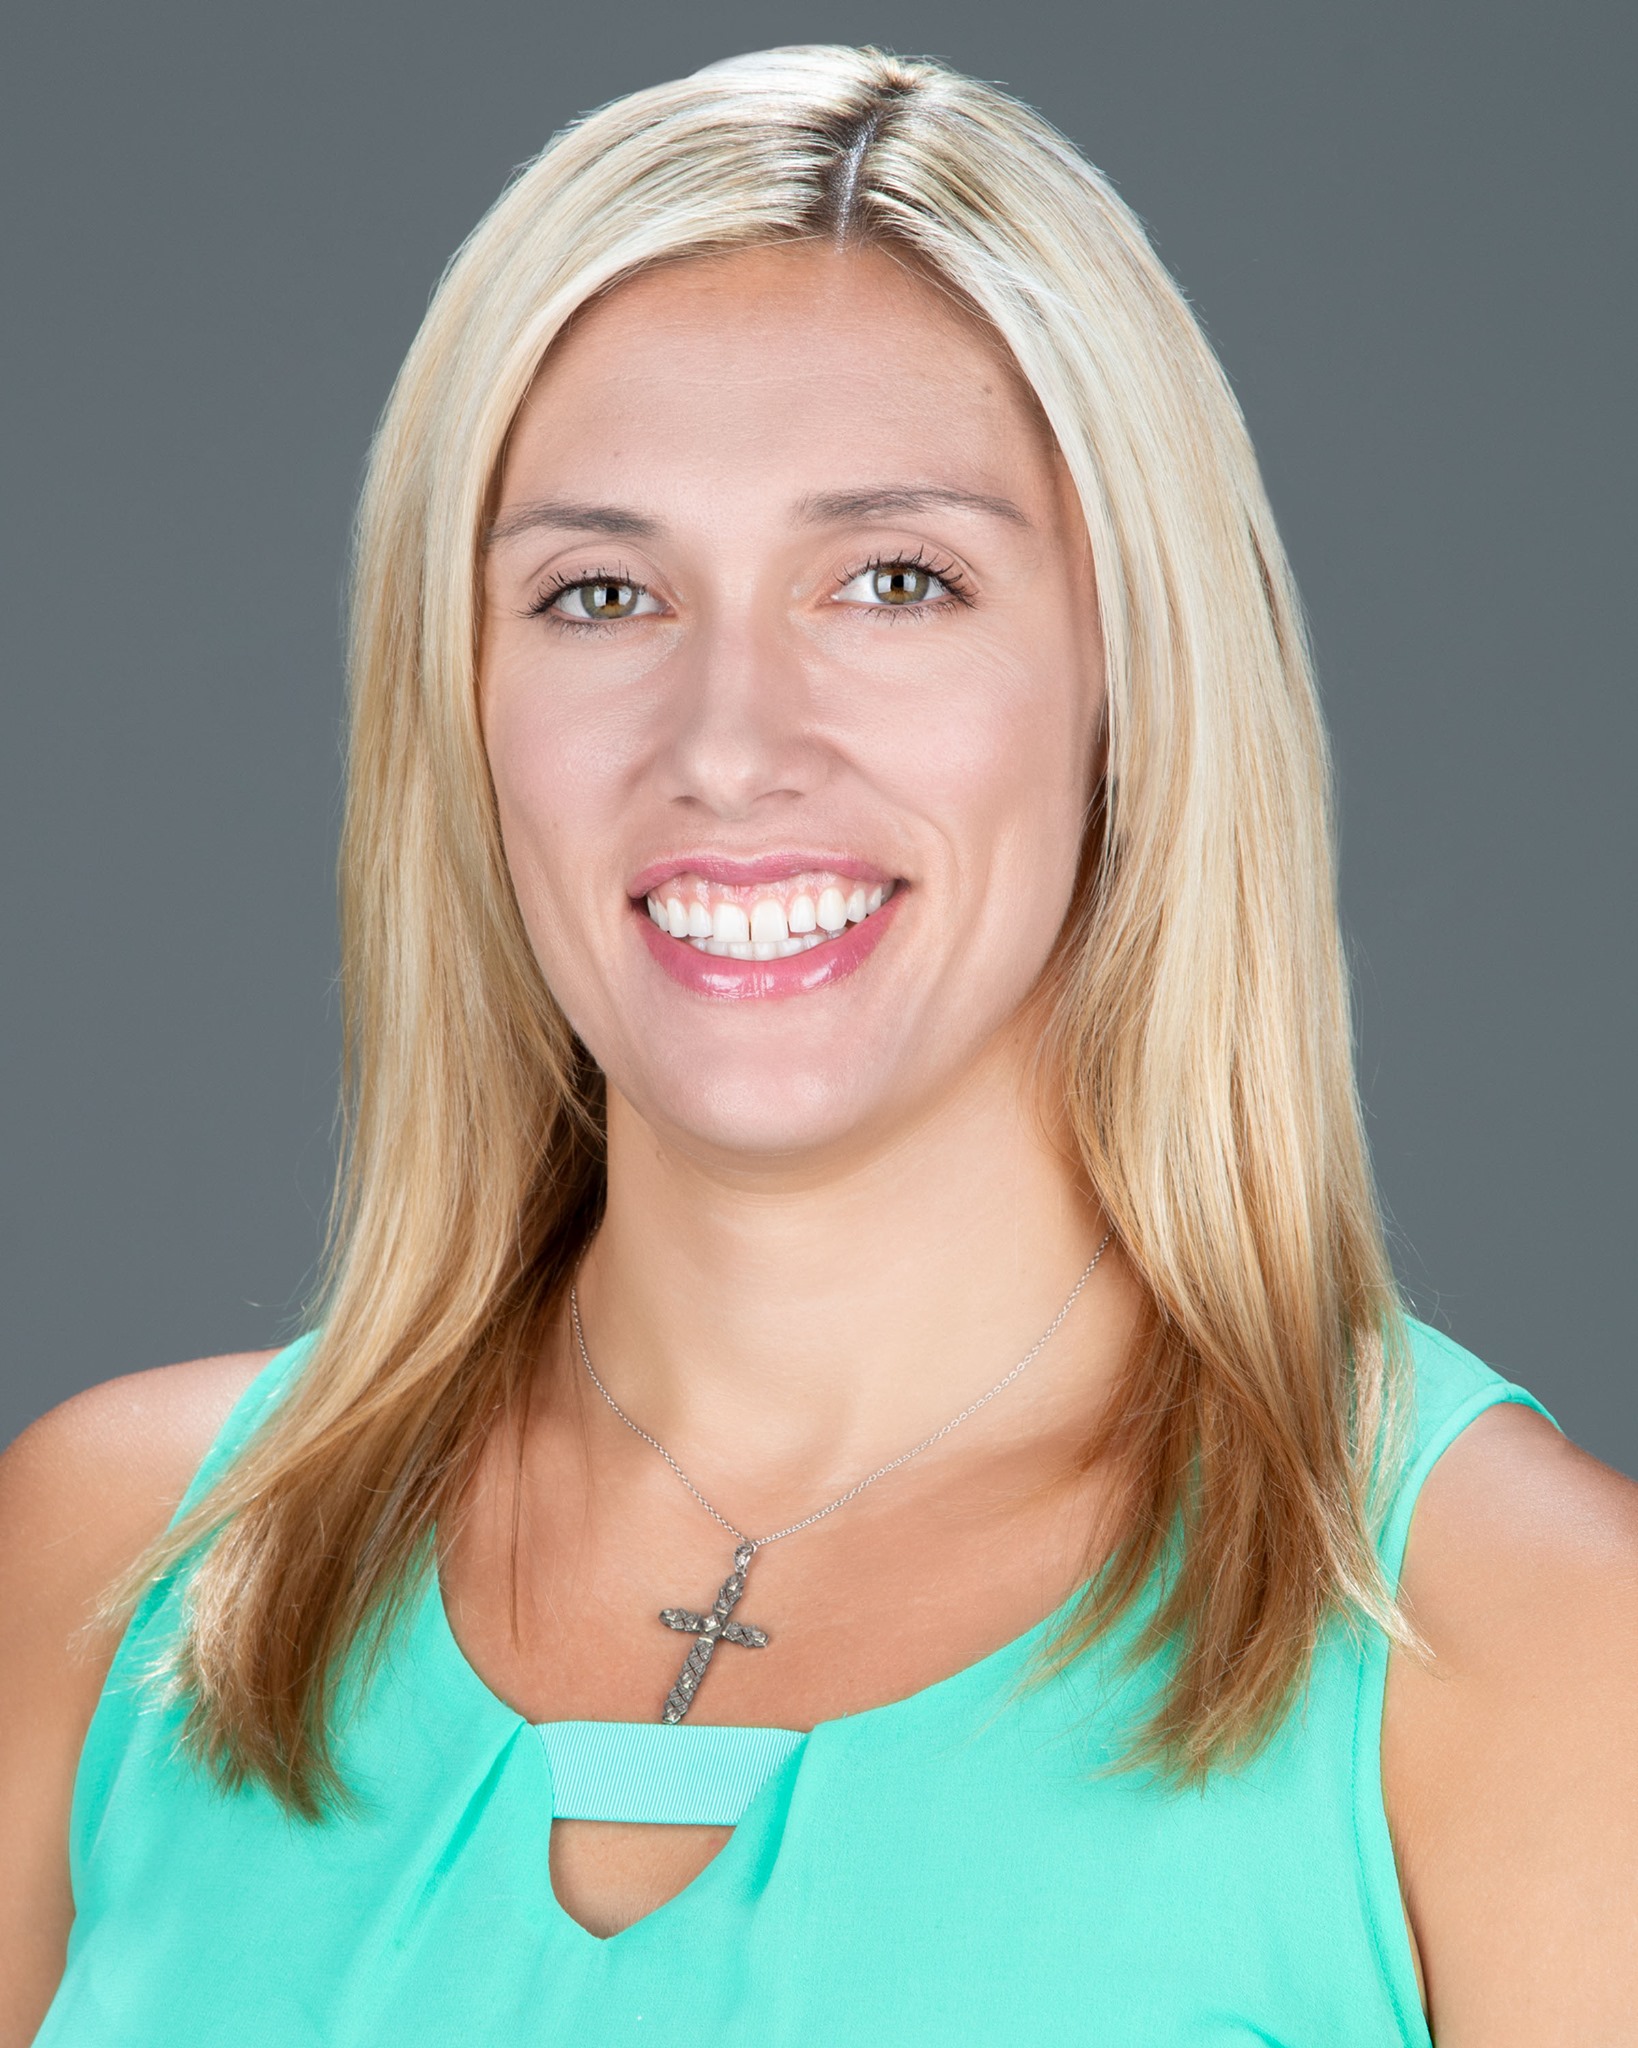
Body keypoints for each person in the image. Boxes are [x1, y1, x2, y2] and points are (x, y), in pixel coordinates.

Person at [3, 43, 1634, 2046]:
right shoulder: (119, 1565)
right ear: (463, 695)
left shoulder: (1530, 1642)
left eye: (894, 580)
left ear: (1132, 675)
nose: (729, 746)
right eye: (599, 592)